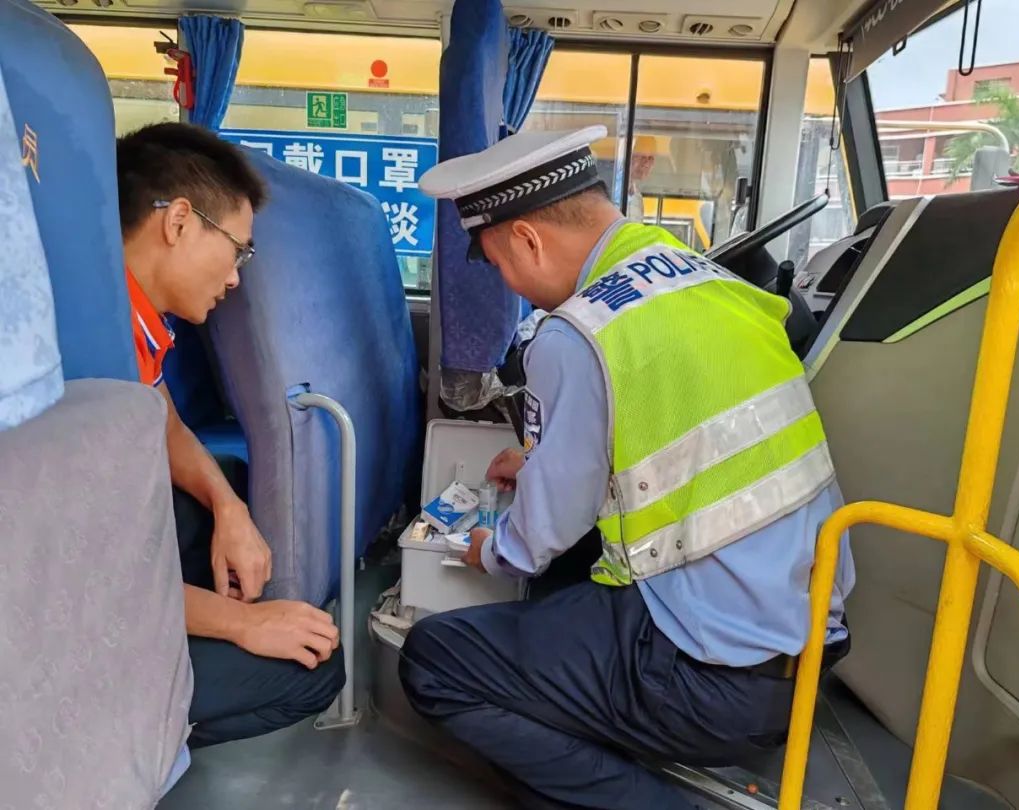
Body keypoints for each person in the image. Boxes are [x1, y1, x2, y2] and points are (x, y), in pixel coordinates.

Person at [398, 125, 856, 809]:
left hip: (705, 681)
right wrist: (541, 463)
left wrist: (488, 548)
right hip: (806, 649)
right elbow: (680, 436)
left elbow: (536, 543)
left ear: (527, 239)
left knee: (436, 660)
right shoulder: (707, 280)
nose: (509, 285)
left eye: (496, 264)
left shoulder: (580, 331)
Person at [117, 122, 345, 747]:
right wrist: (242, 627)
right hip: (64, 617)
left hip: (102, 574)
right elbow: (94, 569)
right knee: (313, 673)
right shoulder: (88, 345)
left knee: (207, 501)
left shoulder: (131, 318)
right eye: (238, 250)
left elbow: (165, 422)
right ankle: (111, 738)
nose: (238, 277)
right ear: (179, 222)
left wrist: (230, 509)